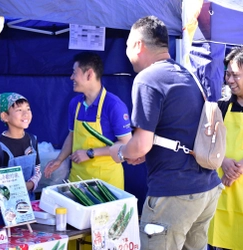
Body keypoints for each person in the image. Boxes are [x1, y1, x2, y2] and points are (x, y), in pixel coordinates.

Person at [109, 16, 222, 250]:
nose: (127, 52)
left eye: (128, 45)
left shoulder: (147, 79)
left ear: (139, 45)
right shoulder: (187, 75)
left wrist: (120, 152)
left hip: (175, 192)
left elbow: (140, 145)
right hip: (207, 188)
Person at [44, 52, 131, 189]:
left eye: (74, 73)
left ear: (89, 74)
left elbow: (126, 145)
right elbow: (72, 135)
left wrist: (90, 153)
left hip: (107, 183)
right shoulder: (75, 104)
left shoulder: (114, 106)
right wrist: (59, 160)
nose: (71, 77)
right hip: (77, 180)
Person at [208, 46, 243, 250]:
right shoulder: (221, 107)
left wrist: (239, 167)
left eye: (235, 75)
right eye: (227, 74)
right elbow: (205, 146)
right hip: (222, 195)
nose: (229, 80)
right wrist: (223, 161)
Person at [0, 92, 41, 201]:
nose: (25, 114)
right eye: (19, 110)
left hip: (28, 204)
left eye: (28, 109)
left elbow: (37, 171)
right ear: (5, 116)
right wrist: (5, 202)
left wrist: (29, 185)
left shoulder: (33, 140)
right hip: (5, 210)